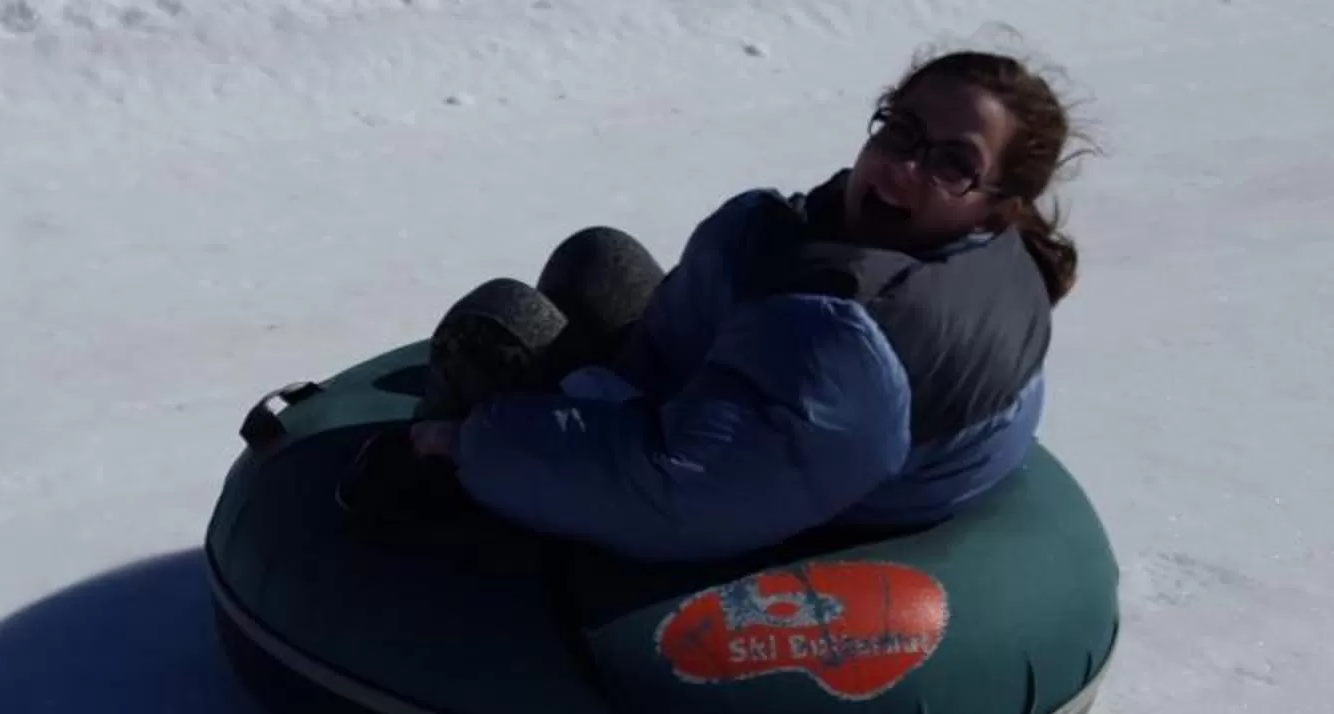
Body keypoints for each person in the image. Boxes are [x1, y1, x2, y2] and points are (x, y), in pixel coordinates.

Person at [343, 49, 1083, 563]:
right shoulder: (921, 259)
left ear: (995, 209)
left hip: (758, 496)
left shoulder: (868, 336)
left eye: (953, 163)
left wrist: (470, 443)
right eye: (901, 129)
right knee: (598, 257)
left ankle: (414, 508)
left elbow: (682, 496)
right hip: (759, 425)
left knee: (493, 324)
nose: (901, 164)